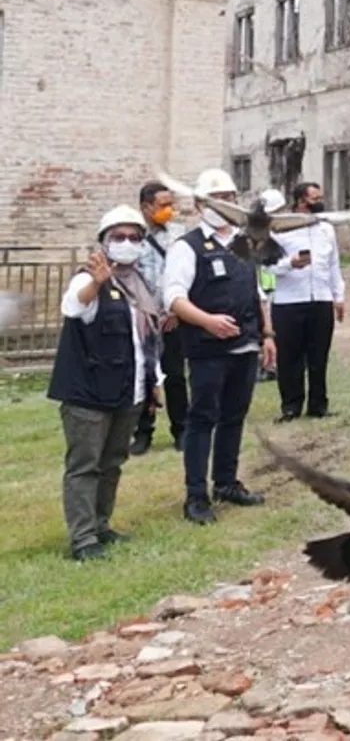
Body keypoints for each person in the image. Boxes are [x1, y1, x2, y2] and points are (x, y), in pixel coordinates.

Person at [163, 168, 274, 526]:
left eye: (228, 198)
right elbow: (174, 298)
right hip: (208, 349)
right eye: (215, 200)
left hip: (244, 347)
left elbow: (257, 292)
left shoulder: (244, 242)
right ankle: (196, 496)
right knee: (202, 420)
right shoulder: (187, 247)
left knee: (234, 417)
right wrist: (206, 320)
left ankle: (226, 482)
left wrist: (267, 335)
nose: (224, 206)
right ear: (199, 206)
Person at [50, 206, 161, 560]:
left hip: (128, 389)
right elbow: (72, 308)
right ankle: (83, 539)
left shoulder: (140, 285)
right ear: (104, 241)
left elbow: (144, 342)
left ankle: (101, 525)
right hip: (89, 393)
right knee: (85, 465)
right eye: (118, 237)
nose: (126, 243)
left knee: (112, 461)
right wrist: (97, 284)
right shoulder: (88, 278)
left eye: (134, 237)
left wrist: (153, 381)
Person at [269, 181, 346, 423]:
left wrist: (338, 296)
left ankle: (318, 405)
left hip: (320, 299)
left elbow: (334, 264)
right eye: (315, 198)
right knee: (290, 357)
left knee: (319, 355)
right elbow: (268, 265)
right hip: (289, 300)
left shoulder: (326, 228)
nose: (320, 202)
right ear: (301, 200)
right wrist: (290, 264)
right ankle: (291, 406)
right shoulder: (281, 228)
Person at [130, 181, 187, 456]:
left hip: (172, 317)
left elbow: (185, 273)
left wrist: (176, 309)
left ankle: (181, 429)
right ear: (146, 207)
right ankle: (142, 432)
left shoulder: (178, 235)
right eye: (163, 205)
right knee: (143, 376)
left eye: (170, 204)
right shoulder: (131, 236)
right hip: (142, 318)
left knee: (175, 375)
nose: (168, 210)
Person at [255, 189, 285, 385]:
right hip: (261, 287)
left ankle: (273, 366)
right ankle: (264, 366)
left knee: (276, 330)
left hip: (278, 287)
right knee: (263, 330)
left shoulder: (282, 231)